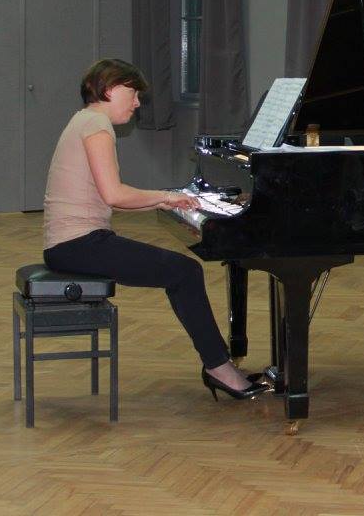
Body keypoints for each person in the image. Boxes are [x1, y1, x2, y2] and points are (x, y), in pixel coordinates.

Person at [42, 58, 262, 401]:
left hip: (73, 242)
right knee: (184, 272)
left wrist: (164, 203)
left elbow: (109, 198)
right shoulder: (97, 126)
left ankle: (219, 364)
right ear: (110, 89)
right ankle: (218, 368)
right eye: (133, 94)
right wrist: (165, 196)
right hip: (78, 244)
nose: (137, 103)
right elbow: (115, 195)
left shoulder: (84, 120)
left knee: (181, 272)